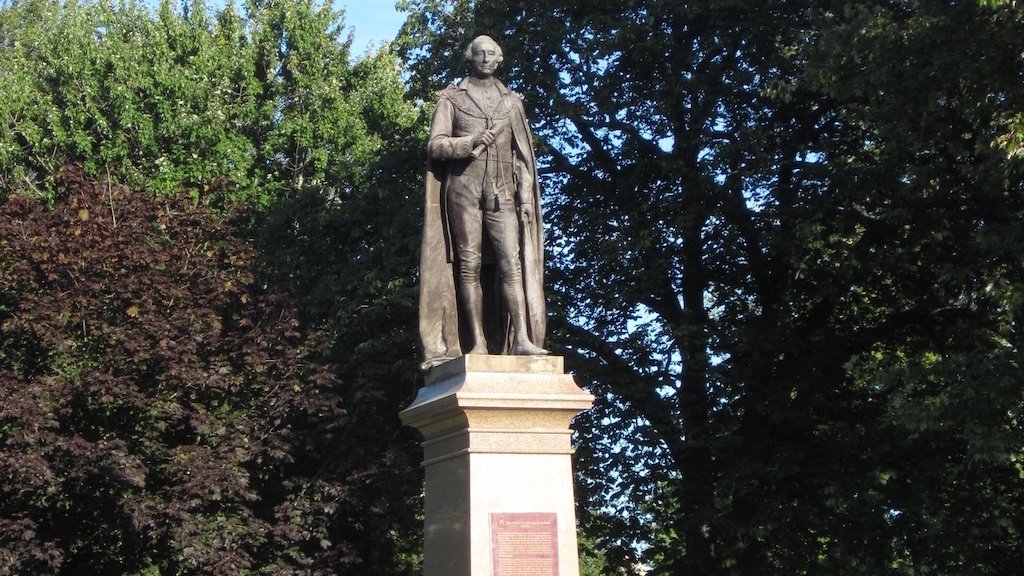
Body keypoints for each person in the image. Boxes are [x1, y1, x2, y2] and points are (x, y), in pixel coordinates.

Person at [418, 35, 548, 369]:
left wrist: (526, 198)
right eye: (480, 54)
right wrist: (470, 142)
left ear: (499, 59)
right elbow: (436, 146)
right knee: (469, 265)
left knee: (511, 264)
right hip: (463, 190)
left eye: (492, 54)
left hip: (502, 192)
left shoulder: (512, 103)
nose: (486, 59)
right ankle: (475, 343)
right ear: (470, 58)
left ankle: (521, 339)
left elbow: (523, 158)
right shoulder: (452, 99)